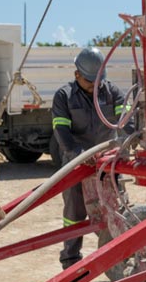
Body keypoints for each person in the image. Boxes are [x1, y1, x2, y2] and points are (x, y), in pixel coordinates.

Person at [51, 46, 130, 269]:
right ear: (77, 74)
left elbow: (126, 120)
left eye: (98, 82)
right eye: (89, 82)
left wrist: (129, 141)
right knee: (74, 212)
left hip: (107, 162)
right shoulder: (63, 96)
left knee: (114, 207)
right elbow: (62, 132)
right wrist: (78, 155)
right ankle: (71, 259)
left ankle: (116, 255)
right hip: (76, 163)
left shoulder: (112, 92)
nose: (95, 87)